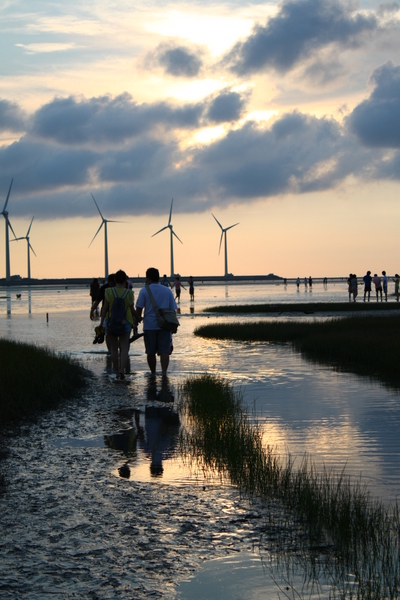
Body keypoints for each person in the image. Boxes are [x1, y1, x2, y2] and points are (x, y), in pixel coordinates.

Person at [135, 267, 177, 377]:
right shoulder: (167, 291)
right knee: (165, 351)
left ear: (147, 278)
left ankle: (153, 373)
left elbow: (138, 309)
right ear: (158, 277)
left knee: (150, 352)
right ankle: (164, 373)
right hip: (165, 325)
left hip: (149, 326)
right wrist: (174, 326)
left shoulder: (144, 291)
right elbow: (173, 310)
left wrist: (136, 320)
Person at [100, 269, 135, 381]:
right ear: (125, 280)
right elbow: (131, 309)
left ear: (115, 280)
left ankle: (116, 372)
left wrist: (101, 322)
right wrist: (137, 318)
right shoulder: (129, 293)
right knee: (124, 348)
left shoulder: (109, 292)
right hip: (126, 323)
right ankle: (122, 370)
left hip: (111, 323)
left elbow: (105, 308)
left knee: (113, 349)